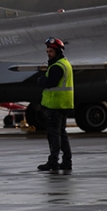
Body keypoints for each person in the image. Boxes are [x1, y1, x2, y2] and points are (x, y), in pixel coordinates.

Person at [37, 37, 74, 172]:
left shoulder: (57, 66)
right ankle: (66, 161)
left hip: (56, 105)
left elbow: (50, 82)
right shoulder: (64, 63)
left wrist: (41, 80)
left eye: (51, 51)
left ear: (57, 51)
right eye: (47, 51)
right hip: (63, 104)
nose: (48, 53)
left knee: (54, 135)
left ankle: (53, 161)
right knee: (62, 134)